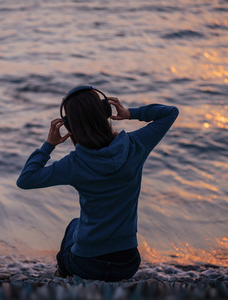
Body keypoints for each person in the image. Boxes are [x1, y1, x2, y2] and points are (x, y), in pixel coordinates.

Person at [16, 86, 179, 281]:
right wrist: (129, 113)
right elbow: (170, 112)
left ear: (69, 125)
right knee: (76, 226)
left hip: (86, 264)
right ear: (106, 112)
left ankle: (62, 276)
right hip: (127, 264)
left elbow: (26, 180)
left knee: (73, 227)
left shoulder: (74, 164)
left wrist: (49, 145)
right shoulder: (135, 145)